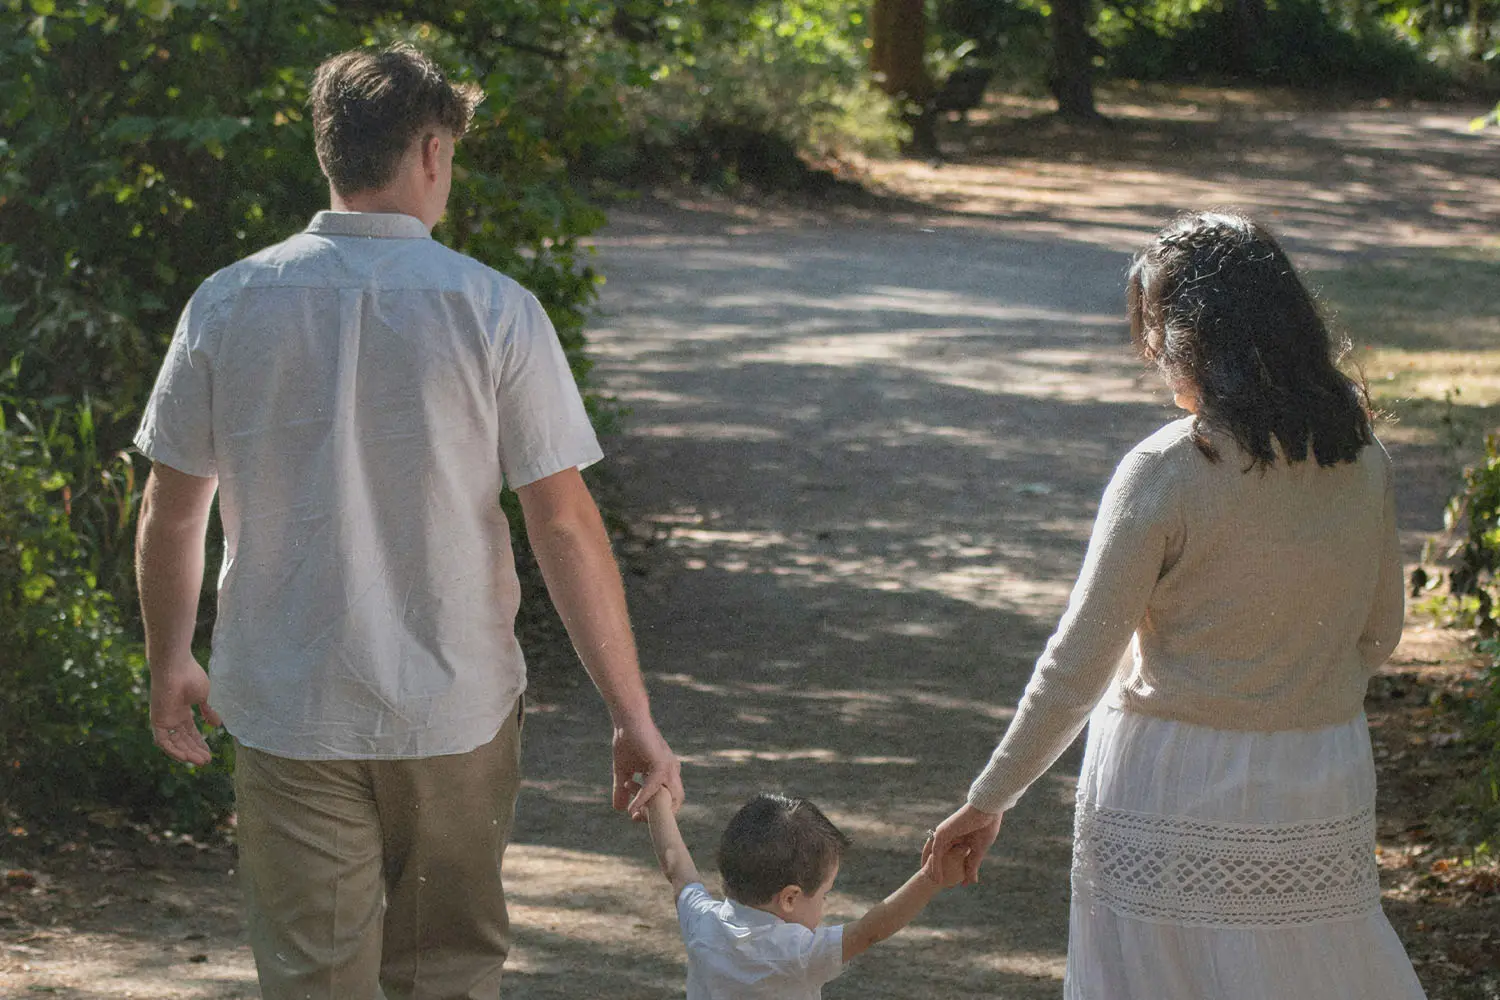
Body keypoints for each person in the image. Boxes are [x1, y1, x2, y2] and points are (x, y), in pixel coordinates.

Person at [133, 44, 681, 1000]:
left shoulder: (227, 304)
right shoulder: (495, 311)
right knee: (449, 975)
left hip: (288, 705)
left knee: (313, 981)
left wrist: (171, 658)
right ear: (431, 151)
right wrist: (630, 714)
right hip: (454, 708)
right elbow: (563, 526)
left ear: (330, 154)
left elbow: (174, 510)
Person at [924, 211, 1426, 999]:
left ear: (1191, 339)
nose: (1155, 361)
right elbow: (1380, 633)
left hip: (1173, 774)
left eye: (1155, 335)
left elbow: (1078, 663)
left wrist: (989, 798)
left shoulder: (1169, 465)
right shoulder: (1362, 461)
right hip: (1321, 770)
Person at [644, 789, 967, 999]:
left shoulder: (702, 922)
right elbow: (870, 930)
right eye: (824, 895)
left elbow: (678, 871)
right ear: (789, 897)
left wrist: (657, 800)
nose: (824, 905)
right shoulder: (796, 953)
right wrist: (931, 877)